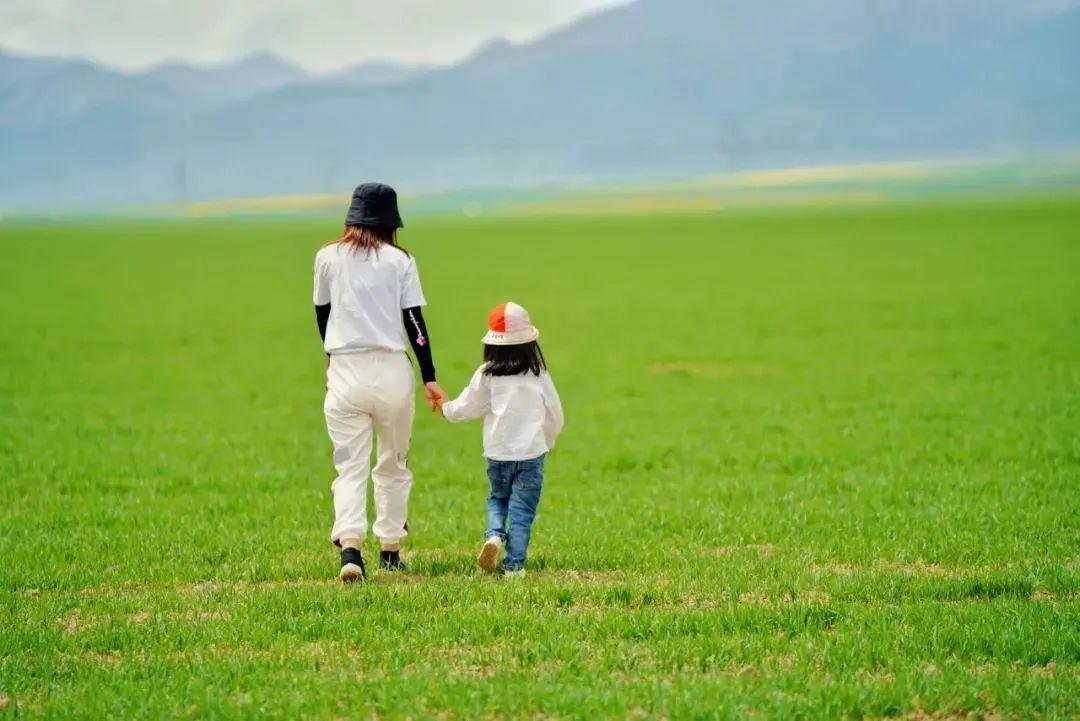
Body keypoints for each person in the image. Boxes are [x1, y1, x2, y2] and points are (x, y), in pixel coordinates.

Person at [314, 182, 448, 582]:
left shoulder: (325, 258)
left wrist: (330, 359)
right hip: (391, 371)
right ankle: (390, 549)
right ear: (391, 222)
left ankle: (351, 550)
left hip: (346, 369)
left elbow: (323, 314)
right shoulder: (400, 261)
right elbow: (414, 324)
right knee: (393, 461)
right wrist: (430, 377)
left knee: (349, 467)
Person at [440, 302, 564, 577]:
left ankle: (495, 535)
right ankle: (514, 567)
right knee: (522, 511)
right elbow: (555, 412)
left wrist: (446, 408)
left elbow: (466, 407)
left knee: (498, 498)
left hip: (498, 453)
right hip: (531, 454)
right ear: (530, 342)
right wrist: (550, 439)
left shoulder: (487, 373)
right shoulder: (538, 373)